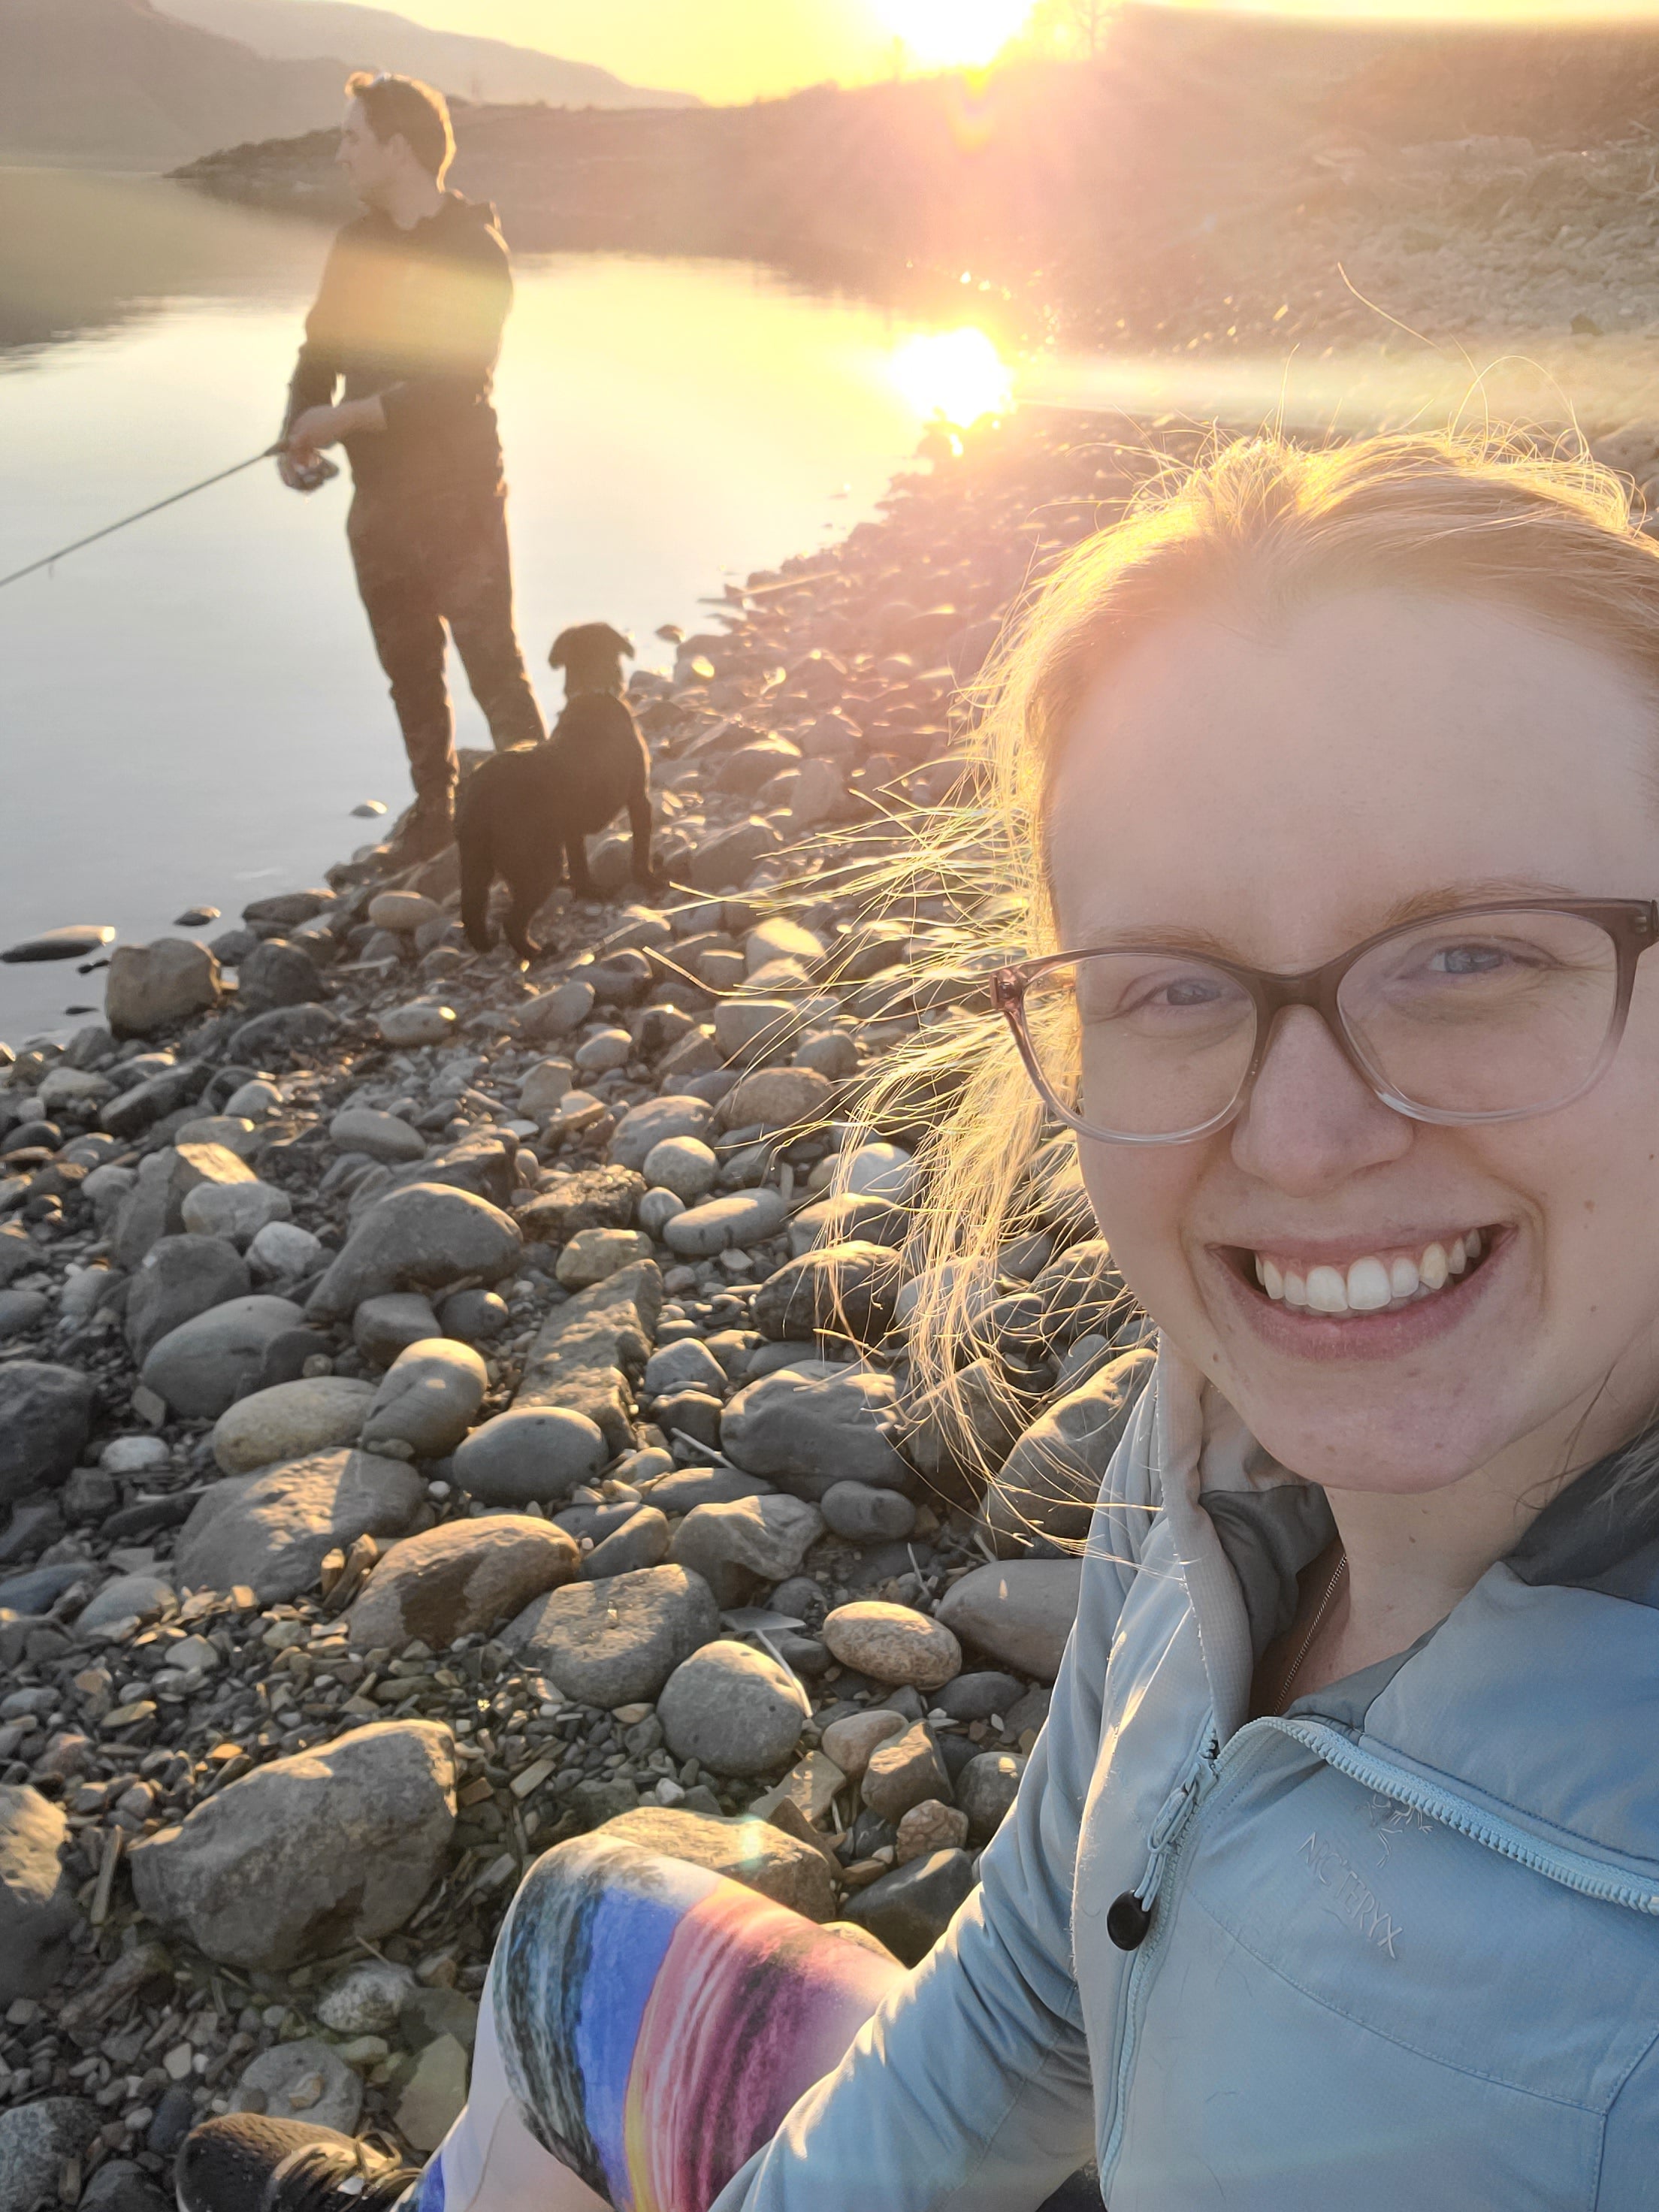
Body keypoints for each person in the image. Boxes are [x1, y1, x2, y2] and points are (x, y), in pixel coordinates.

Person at [177, 430, 1659, 2212]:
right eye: (1169, 985)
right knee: (579, 1927)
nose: (1300, 1136)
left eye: (1470, 953)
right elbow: (1034, 1990)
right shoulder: (1206, 1439)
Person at [281, 71, 545, 866]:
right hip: (379, 500)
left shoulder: (476, 249)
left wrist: (348, 418)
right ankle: (438, 813)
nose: (340, 154)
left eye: (353, 138)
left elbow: (456, 382)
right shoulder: (355, 242)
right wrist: (297, 433)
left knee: (492, 662)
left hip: (459, 495)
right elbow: (319, 350)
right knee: (408, 669)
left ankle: (541, 820)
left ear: (399, 148)